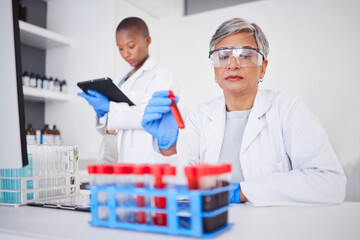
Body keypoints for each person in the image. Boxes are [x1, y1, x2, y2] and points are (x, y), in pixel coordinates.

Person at [141, 18, 346, 206]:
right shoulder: (199, 117)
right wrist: (169, 148)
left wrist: (244, 191)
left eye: (245, 55)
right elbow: (182, 187)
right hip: (215, 228)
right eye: (223, 56)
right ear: (214, 67)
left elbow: (330, 182)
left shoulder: (288, 108)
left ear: (262, 68)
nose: (232, 65)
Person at [78, 17, 175, 164]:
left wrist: (109, 107)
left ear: (147, 41)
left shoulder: (161, 74)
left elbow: (149, 114)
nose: (125, 54)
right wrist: (102, 115)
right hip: (109, 154)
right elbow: (108, 128)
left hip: (139, 158)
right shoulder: (120, 78)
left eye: (131, 46)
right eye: (120, 48)